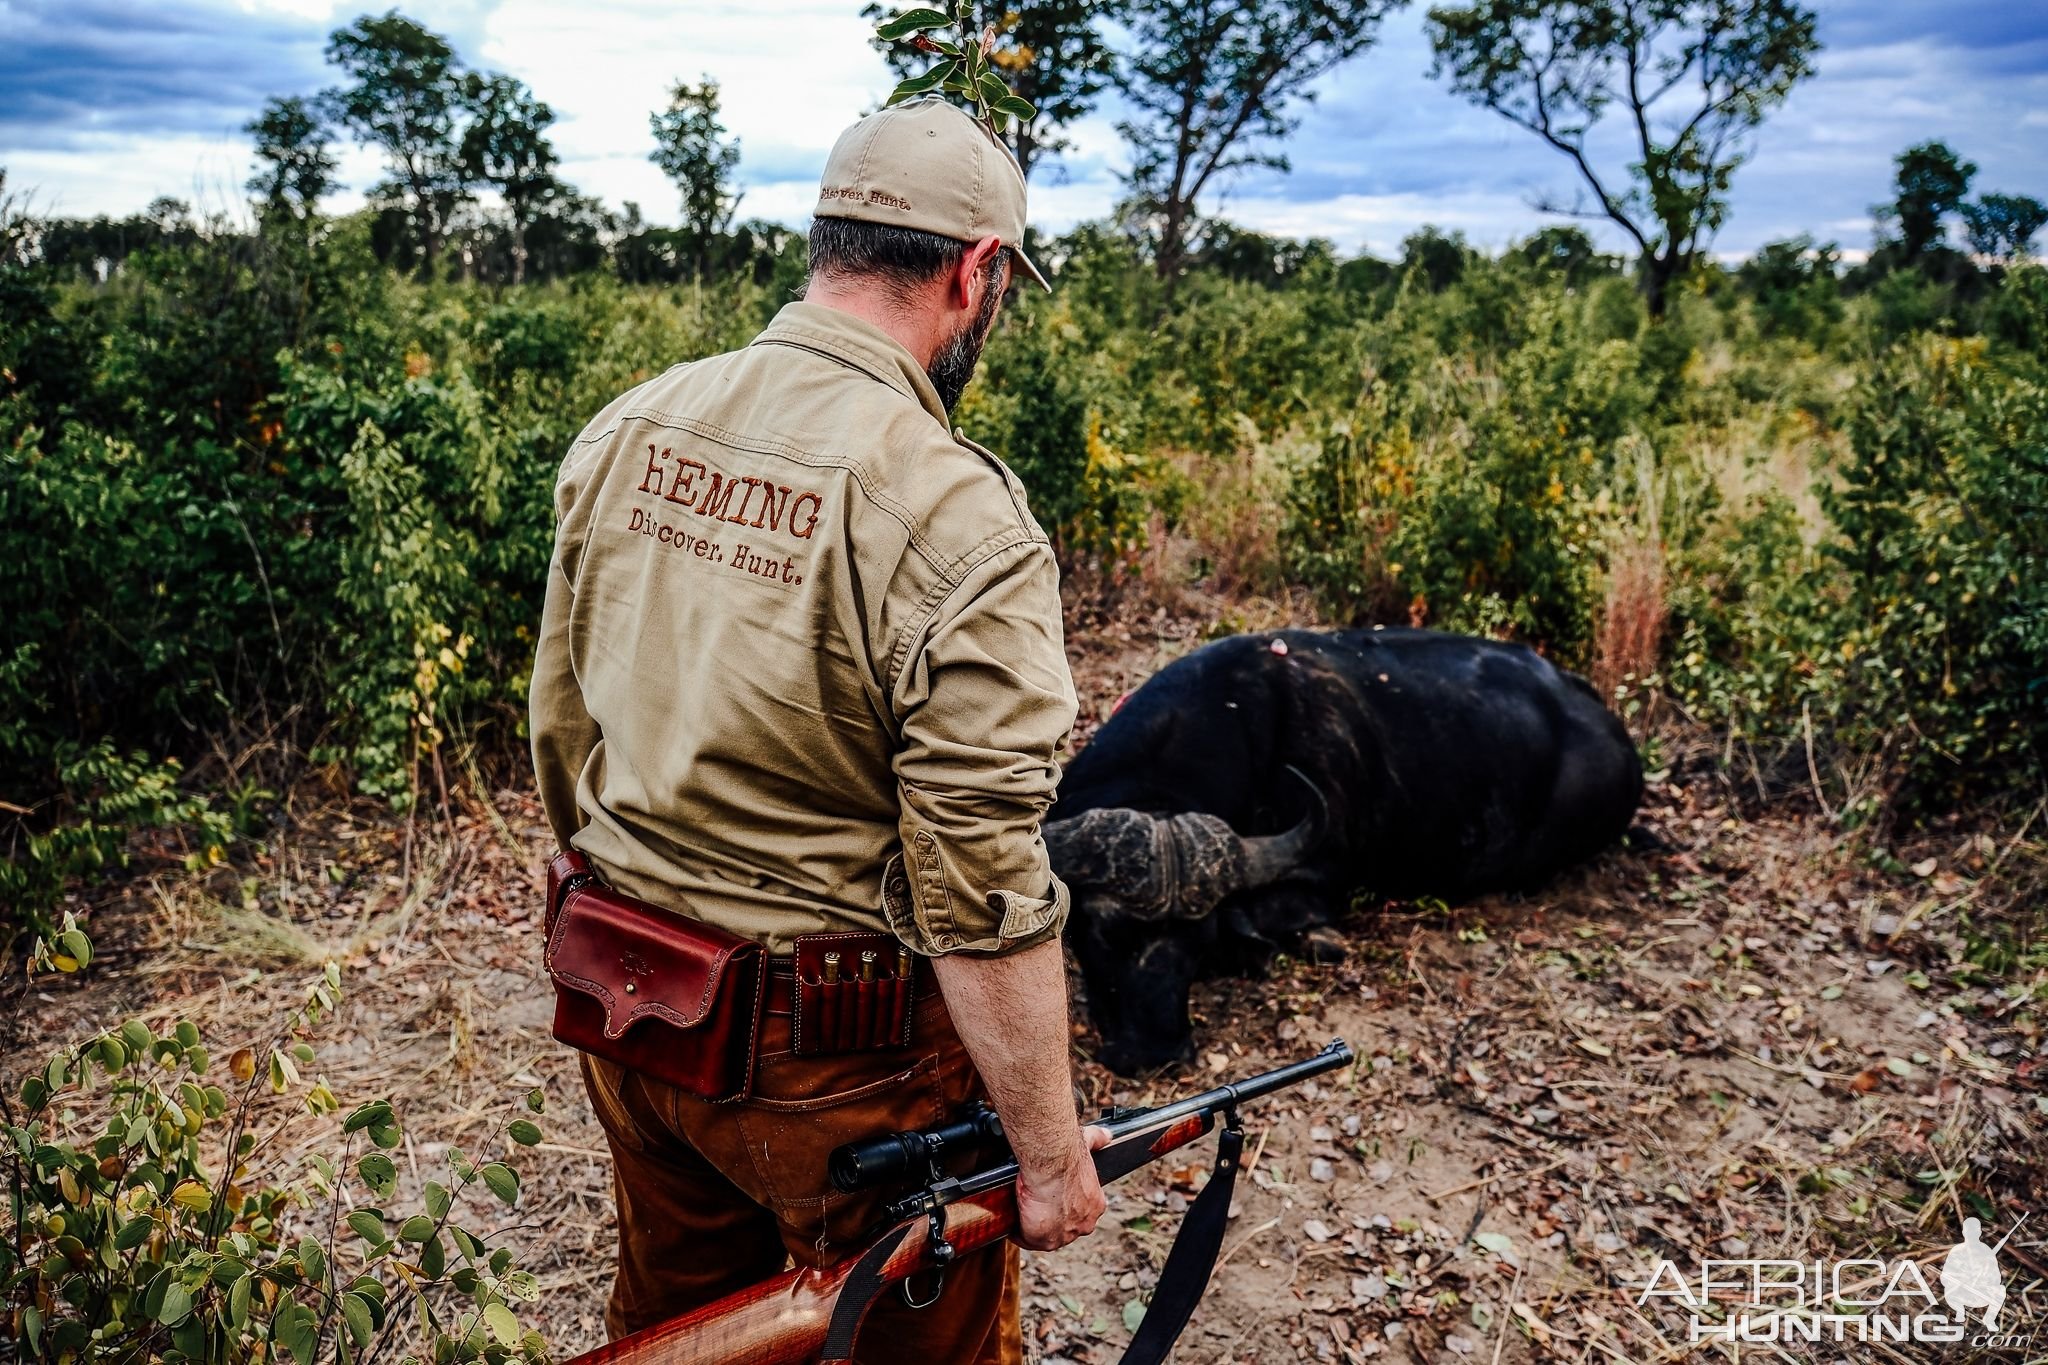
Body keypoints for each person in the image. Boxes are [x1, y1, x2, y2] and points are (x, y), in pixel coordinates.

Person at [528, 95, 1105, 1364]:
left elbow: (562, 732)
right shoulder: (961, 521)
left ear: (828, 240)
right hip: (844, 1073)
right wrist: (1051, 1157)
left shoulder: (630, 425)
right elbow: (977, 887)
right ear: (976, 272)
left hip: (629, 1009)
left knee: (676, 1335)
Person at [1941, 1217, 2005, 1327]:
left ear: (1979, 1232)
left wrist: (1984, 1277)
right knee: (1949, 1290)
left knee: (2001, 1290)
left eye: (1974, 1231)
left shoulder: (1986, 1250)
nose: (1971, 1234)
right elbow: (1945, 1276)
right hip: (1961, 1293)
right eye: (1968, 1231)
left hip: (1981, 1293)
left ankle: (1989, 1319)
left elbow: (1996, 1277)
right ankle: (1960, 1312)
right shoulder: (1956, 1251)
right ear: (1963, 1232)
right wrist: (1962, 1278)